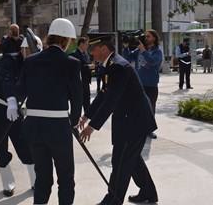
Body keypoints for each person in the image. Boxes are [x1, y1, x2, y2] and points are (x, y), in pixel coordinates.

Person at [78, 33, 158, 205]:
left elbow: (111, 101)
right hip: (129, 119)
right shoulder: (111, 64)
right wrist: (87, 115)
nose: (91, 52)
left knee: (120, 160)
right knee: (132, 159)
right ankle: (149, 193)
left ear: (104, 49)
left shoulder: (118, 66)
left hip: (134, 121)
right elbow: (104, 94)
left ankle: (113, 200)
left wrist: (92, 127)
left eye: (94, 49)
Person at [14, 18, 83, 205]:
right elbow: (77, 98)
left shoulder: (31, 61)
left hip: (34, 127)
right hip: (58, 127)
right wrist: (75, 122)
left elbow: (20, 89)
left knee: (42, 177)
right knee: (65, 177)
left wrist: (14, 103)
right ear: (66, 40)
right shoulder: (71, 63)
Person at [0, 39, 38, 197]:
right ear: (24, 48)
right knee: (1, 149)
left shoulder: (31, 65)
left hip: (14, 111)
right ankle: (8, 183)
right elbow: (6, 80)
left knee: (24, 145)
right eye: (31, 51)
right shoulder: (8, 59)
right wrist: (11, 100)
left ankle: (35, 181)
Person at [122, 29, 163, 139]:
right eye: (145, 36)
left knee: (150, 108)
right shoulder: (139, 50)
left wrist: (144, 51)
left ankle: (149, 130)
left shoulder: (157, 52)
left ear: (154, 38)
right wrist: (126, 47)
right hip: (138, 83)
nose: (146, 38)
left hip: (151, 84)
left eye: (148, 36)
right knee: (137, 107)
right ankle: (137, 128)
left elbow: (152, 61)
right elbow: (128, 58)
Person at [70, 37, 96, 111]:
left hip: (86, 80)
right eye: (86, 44)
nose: (87, 46)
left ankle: (87, 115)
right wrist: (88, 67)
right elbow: (76, 67)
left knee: (87, 98)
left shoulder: (86, 53)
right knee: (79, 100)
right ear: (81, 44)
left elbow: (88, 62)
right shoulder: (75, 54)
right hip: (79, 81)